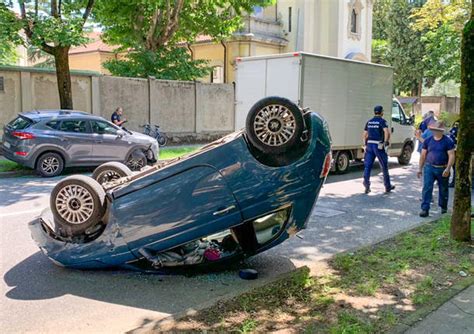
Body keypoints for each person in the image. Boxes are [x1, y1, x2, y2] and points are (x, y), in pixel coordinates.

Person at [417, 121, 455, 217]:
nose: (436, 132)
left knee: (443, 189)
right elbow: (423, 155)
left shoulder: (448, 141)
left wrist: (448, 168)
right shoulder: (428, 141)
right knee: (427, 188)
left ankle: (443, 208)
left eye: (438, 130)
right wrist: (420, 169)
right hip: (429, 167)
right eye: (434, 130)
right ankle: (425, 209)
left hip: (442, 168)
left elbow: (451, 155)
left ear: (442, 131)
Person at [362, 105, 395, 194]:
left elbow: (364, 135)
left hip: (369, 145)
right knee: (384, 166)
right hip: (378, 145)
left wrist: (364, 145)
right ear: (381, 112)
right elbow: (386, 132)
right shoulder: (382, 121)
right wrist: (386, 142)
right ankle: (387, 186)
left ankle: (366, 186)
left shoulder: (369, 122)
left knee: (367, 166)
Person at [448, 120, 459, 187]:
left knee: (454, 166)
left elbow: (452, 137)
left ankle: (453, 182)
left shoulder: (457, 124)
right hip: (455, 149)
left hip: (455, 149)